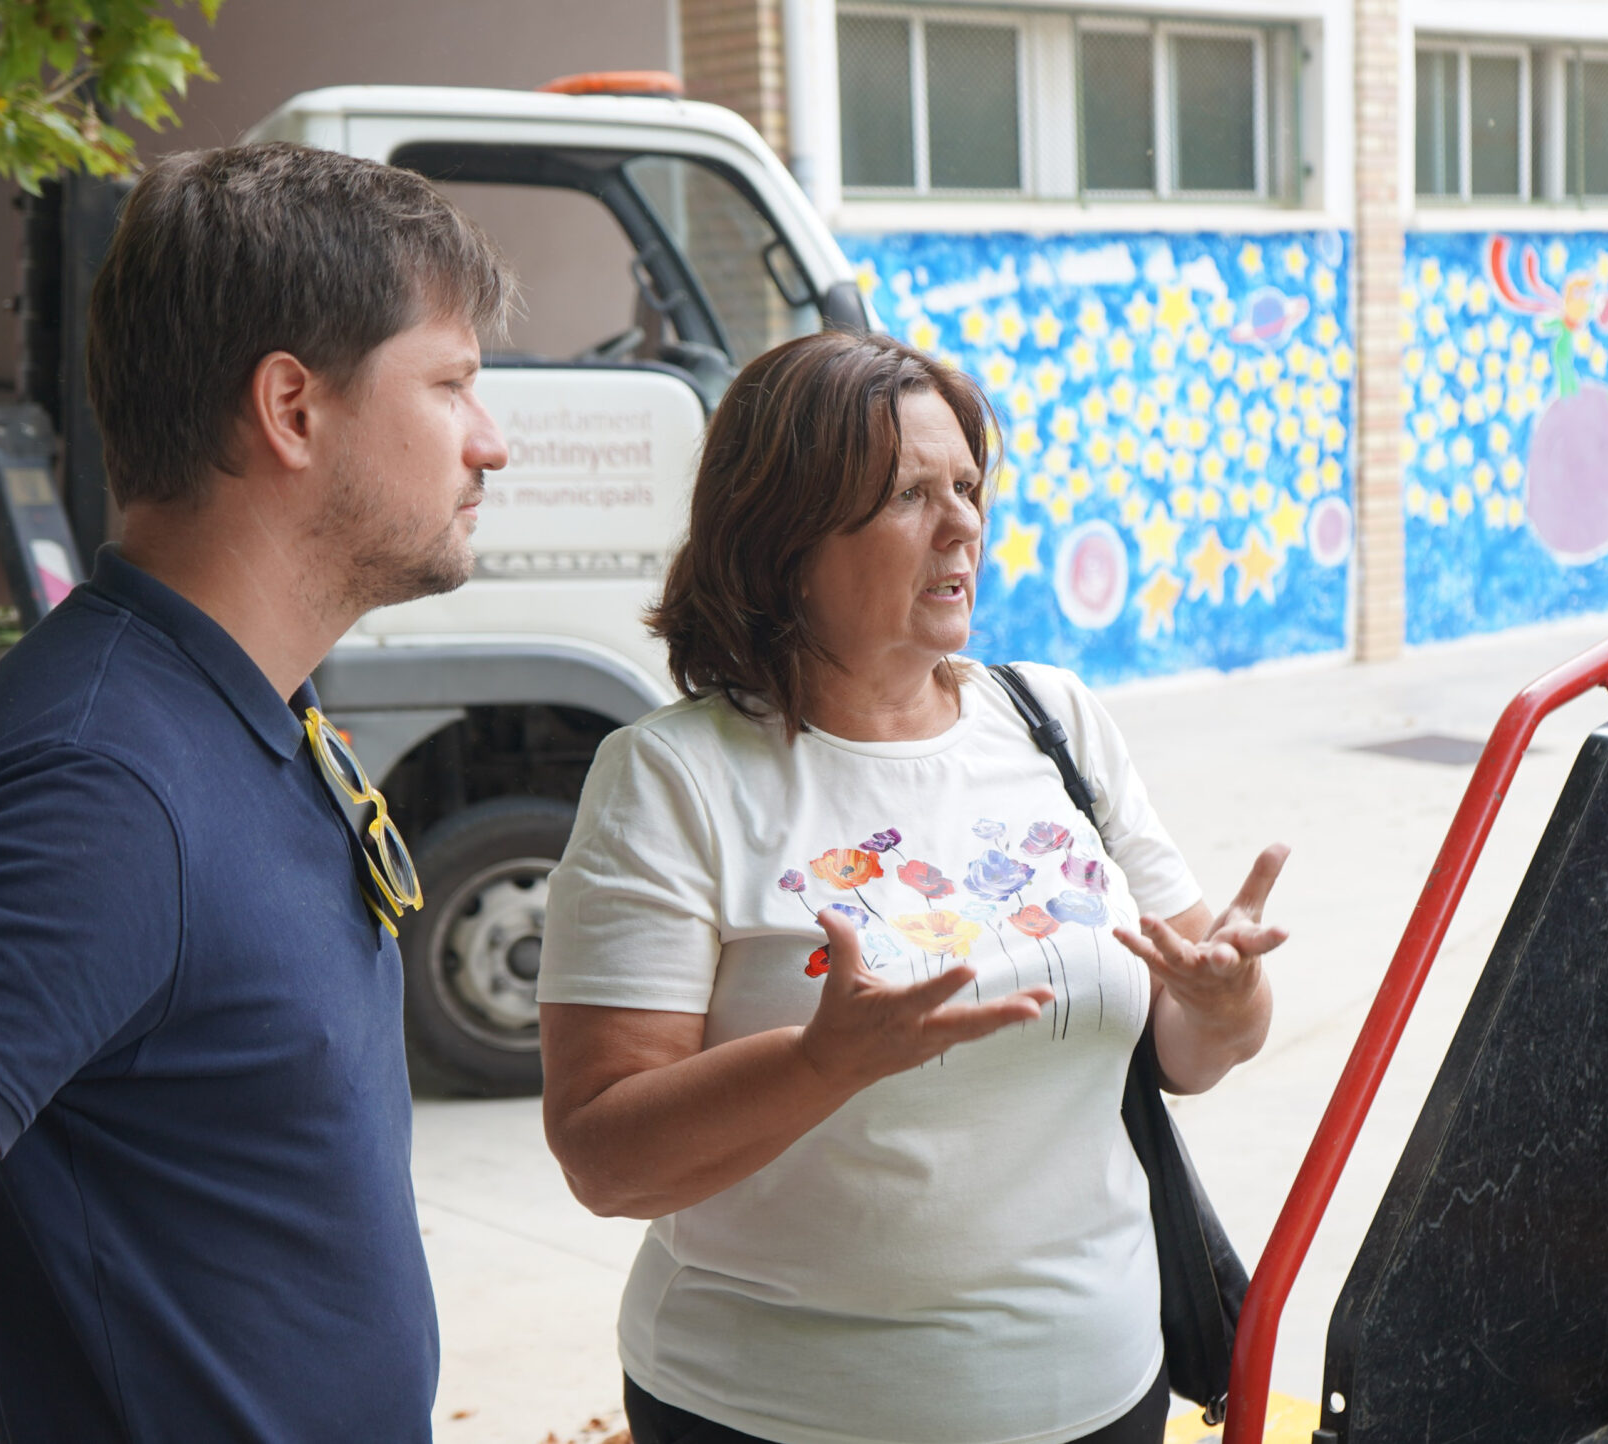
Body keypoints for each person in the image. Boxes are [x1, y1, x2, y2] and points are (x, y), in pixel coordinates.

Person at [0, 143, 511, 1443]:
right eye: (454, 384)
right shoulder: (104, 782)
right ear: (292, 409)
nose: (493, 442)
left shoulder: (229, 702)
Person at [537, 329, 1290, 1444]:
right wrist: (817, 1064)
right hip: (773, 1413)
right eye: (906, 495)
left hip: (1102, 1391)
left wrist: (1228, 1004)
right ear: (782, 537)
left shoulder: (1053, 720)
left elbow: (1183, 1044)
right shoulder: (670, 777)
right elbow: (606, 1158)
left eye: (968, 487)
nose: (963, 524)